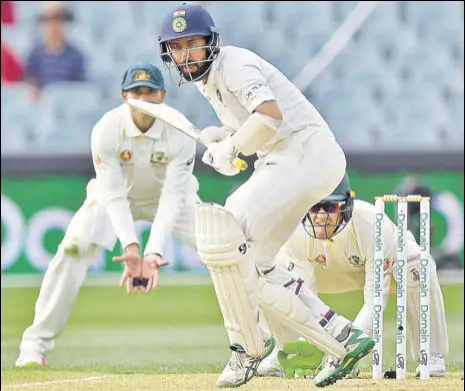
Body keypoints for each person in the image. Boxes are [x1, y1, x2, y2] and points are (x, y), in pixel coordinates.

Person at [158, 3, 375, 388]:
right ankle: (341, 336)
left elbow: (270, 116)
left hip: (304, 152)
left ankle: (248, 346)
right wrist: (223, 137)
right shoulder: (207, 83)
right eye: (177, 47)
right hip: (287, 158)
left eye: (192, 44)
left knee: (222, 229)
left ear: (211, 43)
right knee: (254, 265)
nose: (185, 54)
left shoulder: (235, 65)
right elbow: (252, 126)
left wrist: (233, 147)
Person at [15, 63, 199, 367]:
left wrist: (152, 252)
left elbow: (172, 197)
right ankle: (33, 347)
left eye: (150, 92)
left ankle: (255, 340)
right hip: (112, 197)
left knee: (222, 249)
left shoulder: (180, 128)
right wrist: (131, 246)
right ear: (124, 96)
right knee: (72, 249)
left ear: (162, 95)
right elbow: (113, 195)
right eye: (136, 92)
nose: (143, 98)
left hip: (168, 199)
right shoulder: (106, 129)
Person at [257, 173, 449, 379]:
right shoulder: (296, 232)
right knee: (270, 270)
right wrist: (322, 347)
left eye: (329, 208)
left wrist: (347, 351)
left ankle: (429, 354)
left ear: (345, 207)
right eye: (314, 207)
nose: (320, 217)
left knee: (420, 263)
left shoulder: (372, 225)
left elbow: (375, 301)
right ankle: (284, 350)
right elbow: (305, 299)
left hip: (389, 268)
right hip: (328, 273)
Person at [24, 1, 86, 101]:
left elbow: (79, 90)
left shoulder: (76, 56)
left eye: (58, 17)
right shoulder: (34, 55)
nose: (53, 24)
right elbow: (29, 84)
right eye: (47, 19)